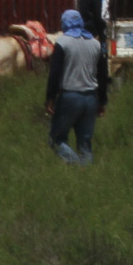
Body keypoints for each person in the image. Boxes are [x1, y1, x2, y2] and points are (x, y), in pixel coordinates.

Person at [45, 9, 109, 163]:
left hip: (69, 97)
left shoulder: (62, 43)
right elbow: (103, 75)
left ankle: (75, 165)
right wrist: (102, 101)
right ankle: (86, 172)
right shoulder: (95, 43)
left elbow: (55, 74)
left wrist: (50, 98)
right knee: (85, 143)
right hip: (91, 98)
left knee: (56, 139)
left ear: (64, 24)